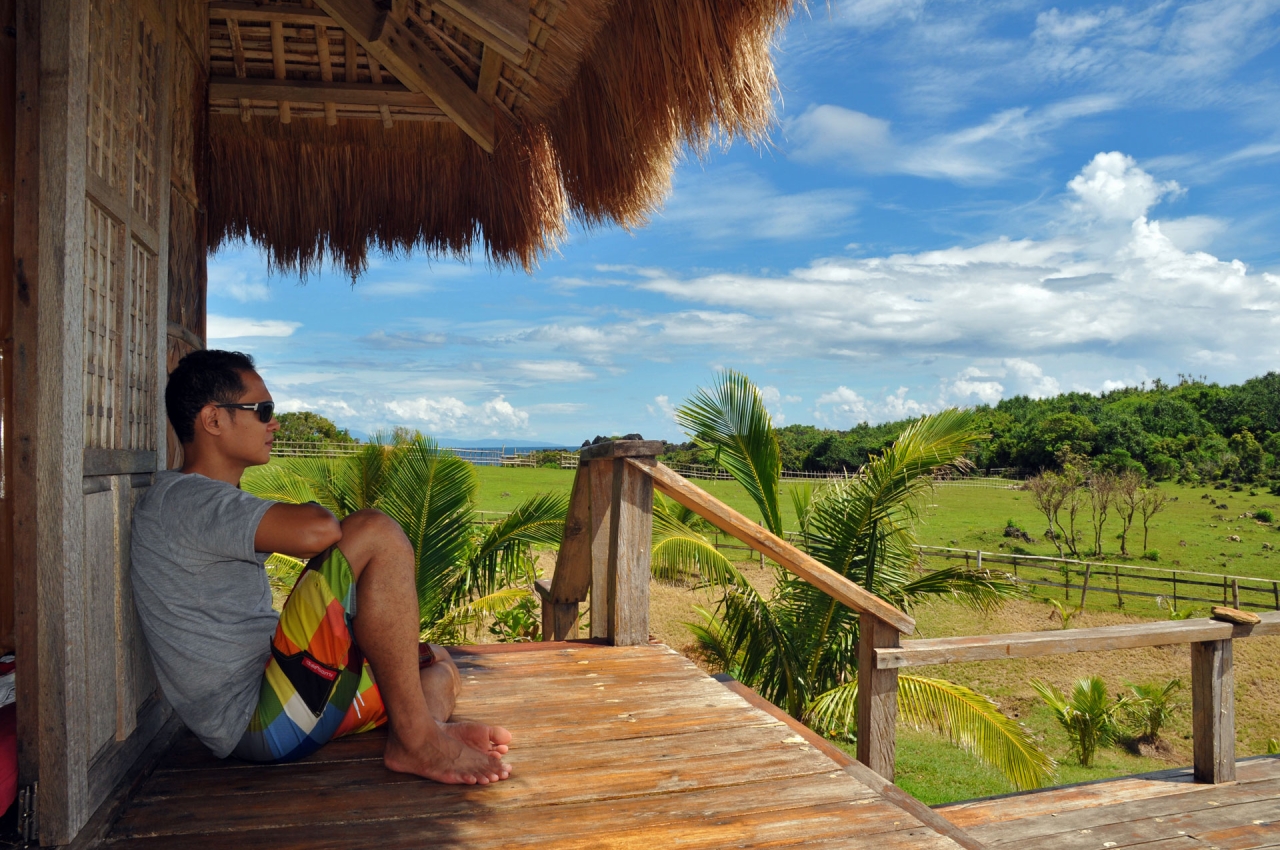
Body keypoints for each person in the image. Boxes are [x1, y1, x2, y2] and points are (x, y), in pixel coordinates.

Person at [131, 349, 511, 784]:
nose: (275, 423)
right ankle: (419, 742)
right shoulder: (189, 501)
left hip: (284, 705)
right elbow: (318, 534)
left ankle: (423, 731)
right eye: (263, 411)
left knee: (437, 667)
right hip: (256, 715)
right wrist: (318, 513)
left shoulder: (199, 501)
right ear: (213, 420)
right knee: (376, 530)